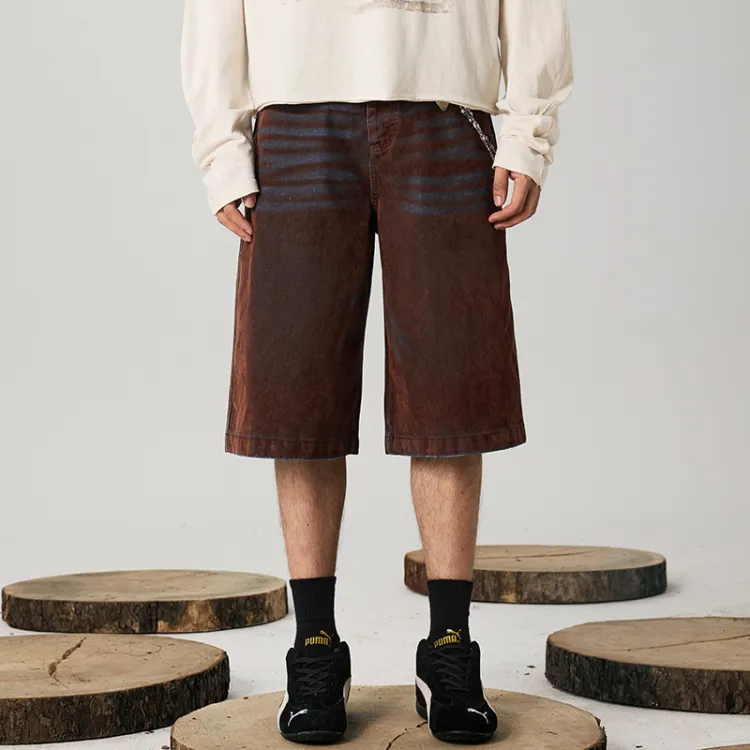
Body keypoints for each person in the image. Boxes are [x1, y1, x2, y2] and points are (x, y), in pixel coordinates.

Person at [181, 0, 573, 743]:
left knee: (452, 390)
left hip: (443, 111)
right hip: (295, 117)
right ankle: (316, 648)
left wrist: (528, 135)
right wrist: (222, 147)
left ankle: (449, 648)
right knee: (299, 397)